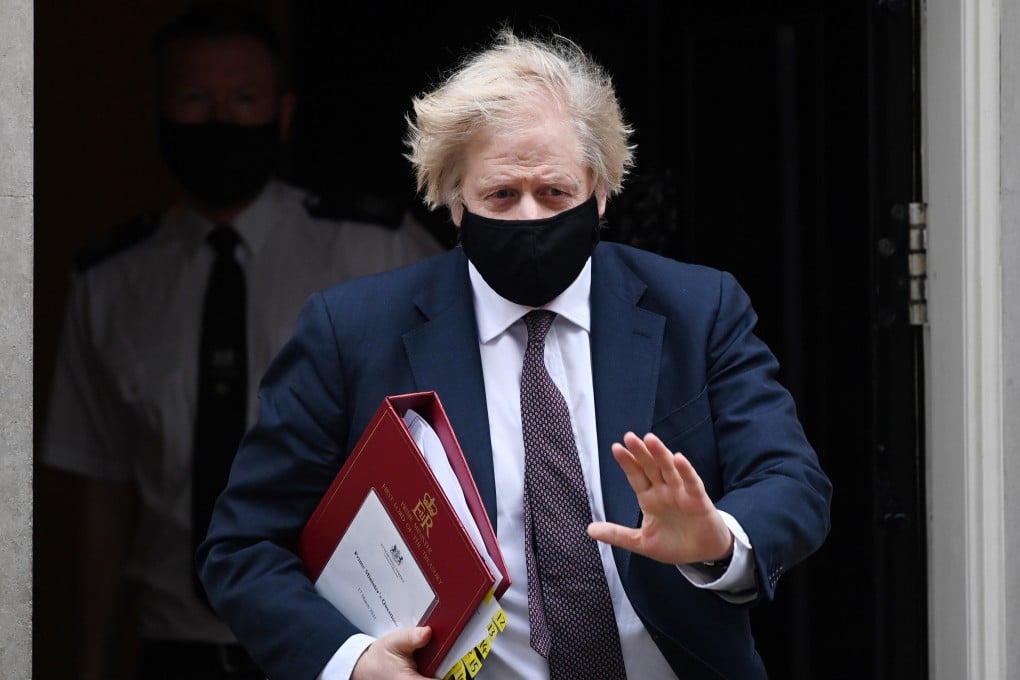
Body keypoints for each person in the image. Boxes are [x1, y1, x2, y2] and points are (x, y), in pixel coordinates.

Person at [197, 28, 832, 680]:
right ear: (453, 202)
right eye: (501, 195)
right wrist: (353, 663)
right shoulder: (351, 333)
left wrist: (718, 541)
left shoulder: (698, 309)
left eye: (555, 193)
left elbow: (792, 482)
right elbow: (244, 547)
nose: (530, 217)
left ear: (602, 192)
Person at [39, 3, 443, 679]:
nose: (220, 122)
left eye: (245, 99)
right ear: (158, 112)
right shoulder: (110, 281)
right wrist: (91, 659)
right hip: (176, 644)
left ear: (282, 116)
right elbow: (103, 486)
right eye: (194, 100)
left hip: (347, 643)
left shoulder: (377, 248)